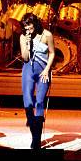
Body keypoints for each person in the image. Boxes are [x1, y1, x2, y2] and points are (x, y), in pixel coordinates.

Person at [20, 13, 55, 150]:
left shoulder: (47, 35)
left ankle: (36, 139)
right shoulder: (23, 37)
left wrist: (47, 69)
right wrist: (28, 44)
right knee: (28, 102)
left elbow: (52, 53)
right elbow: (25, 57)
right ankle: (33, 127)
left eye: (29, 24)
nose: (27, 28)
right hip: (28, 70)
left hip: (43, 71)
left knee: (39, 102)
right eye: (25, 26)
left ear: (35, 23)